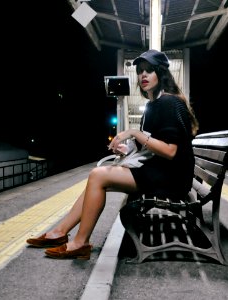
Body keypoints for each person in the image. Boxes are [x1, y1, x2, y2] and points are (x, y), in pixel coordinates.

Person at [26, 49, 199, 260]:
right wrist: (125, 149)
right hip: (159, 171)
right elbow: (149, 148)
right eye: (140, 71)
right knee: (96, 178)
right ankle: (60, 232)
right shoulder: (154, 105)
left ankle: (80, 242)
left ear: (161, 74)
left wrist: (134, 132)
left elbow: (171, 151)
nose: (143, 75)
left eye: (149, 71)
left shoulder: (170, 102)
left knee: (98, 175)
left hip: (171, 178)